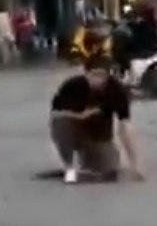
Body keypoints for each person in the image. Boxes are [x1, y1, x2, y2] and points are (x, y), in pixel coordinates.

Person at [48, 55, 143, 184]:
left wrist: (134, 165)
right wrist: (80, 115)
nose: (98, 80)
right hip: (74, 129)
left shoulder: (117, 91)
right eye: (94, 75)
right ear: (86, 73)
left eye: (102, 75)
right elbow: (55, 114)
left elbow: (124, 126)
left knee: (108, 169)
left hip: (99, 136)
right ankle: (69, 166)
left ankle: (87, 162)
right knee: (60, 123)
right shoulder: (72, 86)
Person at [0, 0, 15, 66]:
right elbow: (10, 23)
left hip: (0, 33)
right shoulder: (7, 14)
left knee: (2, 48)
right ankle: (11, 57)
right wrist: (12, 31)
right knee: (11, 45)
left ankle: (4, 60)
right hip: (7, 32)